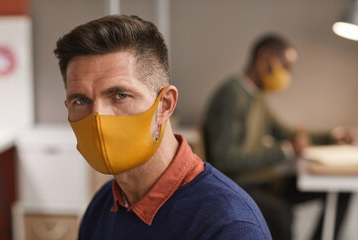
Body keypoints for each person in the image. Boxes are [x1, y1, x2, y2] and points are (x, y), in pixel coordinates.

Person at [54, 15, 272, 240]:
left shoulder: (229, 225)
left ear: (165, 105)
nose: (98, 117)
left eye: (120, 95)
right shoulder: (102, 205)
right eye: (81, 100)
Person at [203, 34, 352, 240]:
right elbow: (225, 159)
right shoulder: (231, 95)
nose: (286, 75)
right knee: (282, 213)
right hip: (241, 185)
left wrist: (333, 135)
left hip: (263, 181)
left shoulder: (256, 96)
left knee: (340, 190)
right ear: (265, 58)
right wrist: (284, 151)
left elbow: (286, 132)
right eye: (285, 67)